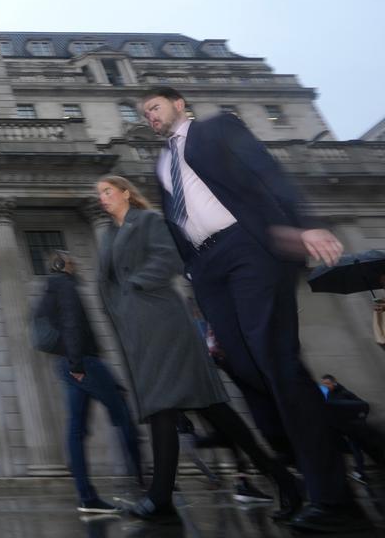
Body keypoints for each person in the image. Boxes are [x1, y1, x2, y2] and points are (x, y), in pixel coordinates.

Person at [142, 86, 370, 532]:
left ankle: (334, 500)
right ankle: (320, 452)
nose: (149, 115)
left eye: (154, 106)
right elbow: (177, 221)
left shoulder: (216, 129)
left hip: (247, 247)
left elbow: (267, 171)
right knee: (246, 369)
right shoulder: (162, 163)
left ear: (179, 103)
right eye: (144, 112)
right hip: (206, 266)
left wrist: (304, 226)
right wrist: (194, 279)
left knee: (275, 361)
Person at [95, 175, 300, 526]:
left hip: (163, 321)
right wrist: (121, 306)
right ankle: (282, 478)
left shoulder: (148, 220)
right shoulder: (109, 235)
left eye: (107, 191)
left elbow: (169, 257)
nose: (102, 197)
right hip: (137, 328)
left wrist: (136, 284)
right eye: (99, 193)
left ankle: (160, 497)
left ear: (126, 192)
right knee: (209, 408)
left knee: (165, 404)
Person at [34, 250, 140, 513]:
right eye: (72, 261)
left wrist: (72, 364)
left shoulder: (50, 289)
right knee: (122, 414)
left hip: (67, 363)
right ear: (62, 264)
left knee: (76, 429)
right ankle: (142, 482)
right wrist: (77, 364)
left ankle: (86, 496)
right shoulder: (65, 285)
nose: (76, 264)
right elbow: (72, 324)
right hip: (83, 362)